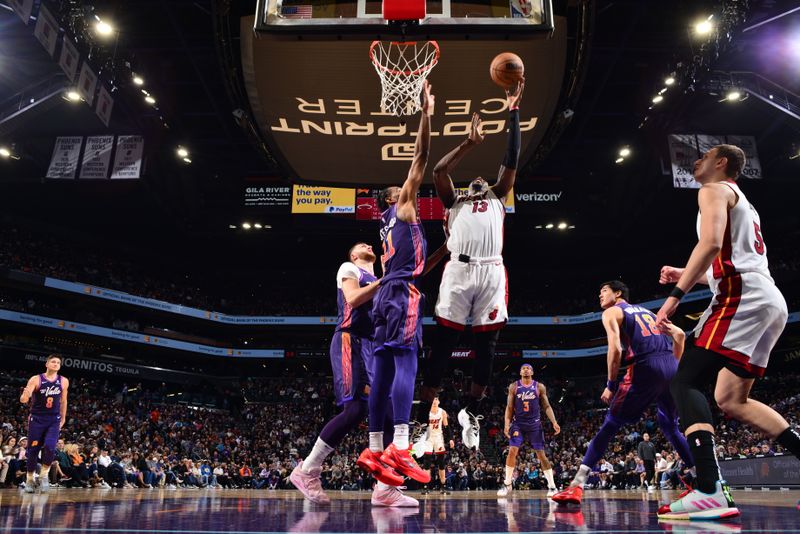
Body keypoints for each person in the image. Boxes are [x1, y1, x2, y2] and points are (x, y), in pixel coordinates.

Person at [655, 144, 799, 520]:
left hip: (744, 298)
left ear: (722, 163)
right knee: (732, 399)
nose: (695, 162)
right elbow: (728, 261)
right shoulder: (743, 201)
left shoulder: (713, 189)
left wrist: (674, 296)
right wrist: (689, 273)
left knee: (684, 380)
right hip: (767, 300)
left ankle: (708, 489)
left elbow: (712, 243)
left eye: (703, 157)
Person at [416, 81, 525, 451]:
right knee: (443, 346)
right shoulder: (454, 202)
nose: (479, 179)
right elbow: (439, 173)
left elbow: (511, 161)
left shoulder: (498, 194)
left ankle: (471, 411)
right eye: (473, 180)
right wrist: (468, 144)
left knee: (488, 349)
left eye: (484, 177)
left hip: (492, 271)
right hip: (459, 272)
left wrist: (513, 111)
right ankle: (421, 421)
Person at [357, 80, 435, 505]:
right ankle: (401, 445)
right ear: (394, 197)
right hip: (401, 292)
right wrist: (426, 113)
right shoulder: (403, 206)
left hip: (389, 291)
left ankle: (374, 446)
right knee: (406, 361)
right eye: (402, 187)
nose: (409, 188)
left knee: (385, 367)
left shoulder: (388, 224)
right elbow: (420, 157)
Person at [552, 281, 695, 506]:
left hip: (645, 367)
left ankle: (576, 485)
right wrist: (672, 367)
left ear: (618, 293)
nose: (600, 295)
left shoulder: (612, 311)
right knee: (670, 426)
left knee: (611, 423)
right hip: (671, 366)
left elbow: (616, 348)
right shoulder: (648, 312)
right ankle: (701, 482)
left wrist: (610, 384)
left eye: (604, 291)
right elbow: (679, 336)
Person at [292, 242, 403, 505]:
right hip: (349, 340)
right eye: (360, 245)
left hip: (373, 347)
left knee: (388, 416)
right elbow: (353, 299)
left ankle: (384, 487)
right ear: (353, 254)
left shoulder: (380, 279)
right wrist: (386, 280)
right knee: (355, 410)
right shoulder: (350, 268)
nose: (368, 244)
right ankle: (307, 470)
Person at [497, 363, 560, 497]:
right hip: (518, 423)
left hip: (535, 424)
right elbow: (509, 408)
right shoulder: (514, 386)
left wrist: (554, 422)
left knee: (541, 455)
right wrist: (506, 424)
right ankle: (507, 483)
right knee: (512, 450)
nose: (526, 370)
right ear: (520, 372)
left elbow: (547, 406)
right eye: (523, 368)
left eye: (528, 368)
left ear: (532, 372)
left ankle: (552, 487)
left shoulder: (539, 387)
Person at [19, 354, 69, 493]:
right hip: (37, 419)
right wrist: (24, 396)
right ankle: (29, 479)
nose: (56, 364)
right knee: (33, 451)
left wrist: (63, 417)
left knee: (50, 447)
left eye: (58, 362)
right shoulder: (36, 379)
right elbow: (25, 398)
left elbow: (63, 401)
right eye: (53, 361)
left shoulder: (64, 381)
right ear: (46, 364)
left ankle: (43, 476)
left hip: (54, 419)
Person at [419, 396, 454, 495]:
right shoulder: (426, 412)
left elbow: (447, 427)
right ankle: (425, 486)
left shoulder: (442, 412)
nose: (434, 401)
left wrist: (450, 439)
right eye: (433, 399)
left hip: (438, 438)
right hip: (428, 438)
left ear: (439, 401)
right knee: (427, 463)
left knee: (441, 463)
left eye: (436, 399)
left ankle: (443, 486)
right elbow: (420, 426)